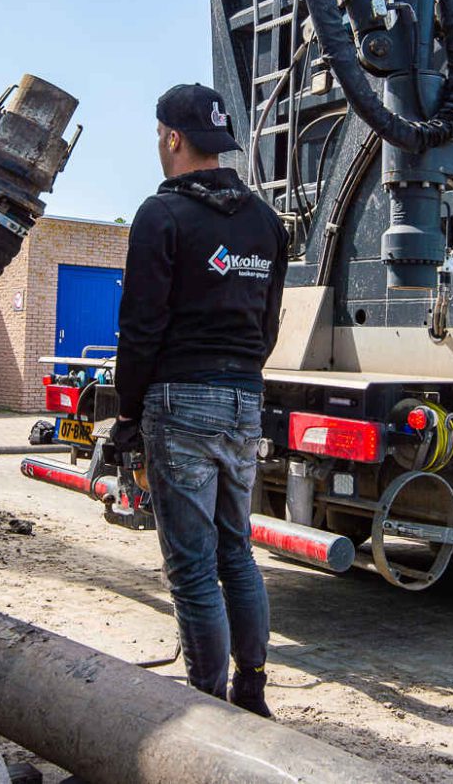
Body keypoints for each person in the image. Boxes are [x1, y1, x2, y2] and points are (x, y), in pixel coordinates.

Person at [112, 82, 289, 717]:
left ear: (173, 138)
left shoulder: (161, 216)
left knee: (191, 567)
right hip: (245, 398)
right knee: (235, 551)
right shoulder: (266, 223)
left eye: (160, 137)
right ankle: (253, 689)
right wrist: (239, 376)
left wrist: (126, 413)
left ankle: (207, 709)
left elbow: (140, 328)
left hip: (180, 401)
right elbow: (268, 326)